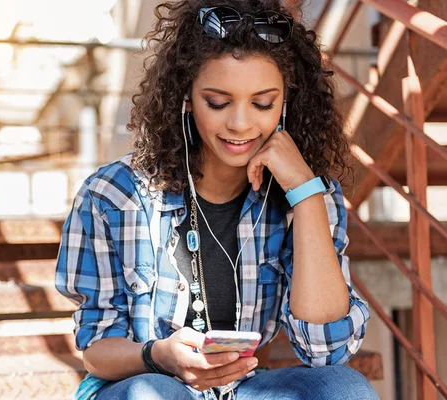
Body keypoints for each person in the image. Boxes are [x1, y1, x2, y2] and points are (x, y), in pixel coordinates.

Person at [56, 0, 379, 399]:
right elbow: (97, 352)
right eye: (218, 102)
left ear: (285, 102)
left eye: (262, 103)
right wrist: (161, 356)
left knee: (345, 389)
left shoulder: (308, 192)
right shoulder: (113, 195)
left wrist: (307, 195)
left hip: (239, 389)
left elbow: (325, 351)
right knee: (153, 393)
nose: (240, 123)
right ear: (186, 97)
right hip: (141, 383)